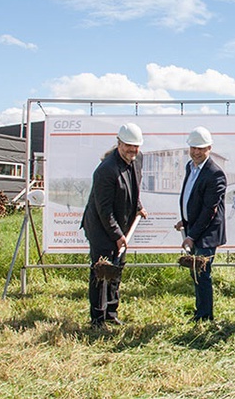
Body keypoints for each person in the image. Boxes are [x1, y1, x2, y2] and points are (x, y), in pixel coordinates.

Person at [81, 122, 148, 327]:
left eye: (135, 146)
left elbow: (134, 186)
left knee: (117, 269)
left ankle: (111, 311)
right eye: (128, 145)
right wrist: (118, 236)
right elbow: (104, 210)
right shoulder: (105, 170)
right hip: (102, 228)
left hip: (122, 225)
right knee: (102, 271)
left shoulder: (137, 159)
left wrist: (138, 206)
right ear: (119, 143)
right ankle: (97, 318)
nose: (132, 150)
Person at [174, 126, 227, 323]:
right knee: (196, 273)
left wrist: (191, 235)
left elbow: (209, 211)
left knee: (202, 273)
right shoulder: (191, 166)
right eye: (193, 148)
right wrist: (186, 221)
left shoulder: (215, 174)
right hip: (194, 227)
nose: (196, 152)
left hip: (206, 232)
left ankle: (205, 317)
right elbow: (193, 198)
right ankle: (200, 311)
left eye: (201, 148)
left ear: (209, 148)